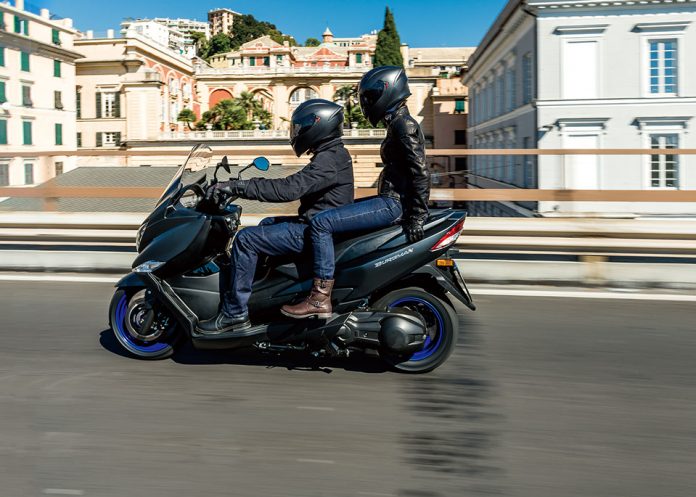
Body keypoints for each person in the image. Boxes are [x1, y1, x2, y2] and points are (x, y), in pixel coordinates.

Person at [281, 66, 430, 319]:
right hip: (390, 200)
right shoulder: (397, 123)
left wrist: (418, 216)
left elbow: (421, 172)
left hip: (393, 204)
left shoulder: (404, 125)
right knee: (338, 216)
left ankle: (319, 297)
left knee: (322, 222)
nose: (366, 104)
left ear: (387, 92)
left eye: (370, 97)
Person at [196, 99, 353, 334]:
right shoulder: (333, 154)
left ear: (318, 126)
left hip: (317, 232)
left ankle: (234, 314)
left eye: (300, 128)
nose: (296, 133)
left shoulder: (328, 160)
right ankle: (261, 296)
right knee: (266, 223)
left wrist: (237, 186)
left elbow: (288, 189)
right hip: (317, 225)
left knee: (246, 239)